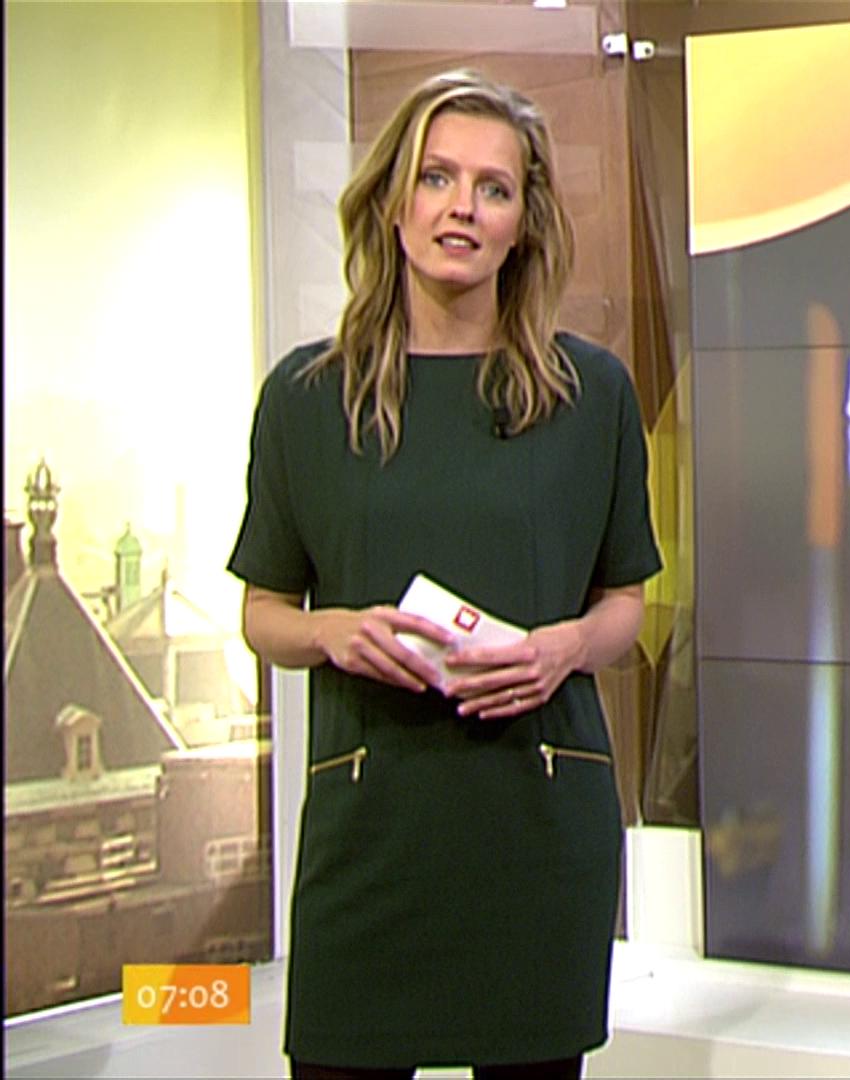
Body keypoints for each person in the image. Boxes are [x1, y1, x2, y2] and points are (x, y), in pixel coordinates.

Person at [228, 69, 660, 1079]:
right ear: (392, 202)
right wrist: (330, 631)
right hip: (372, 835)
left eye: (493, 188)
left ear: (523, 224)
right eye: (436, 178)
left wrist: (564, 648)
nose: (461, 207)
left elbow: (624, 605)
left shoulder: (591, 395)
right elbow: (263, 612)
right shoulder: (305, 398)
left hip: (535, 830)